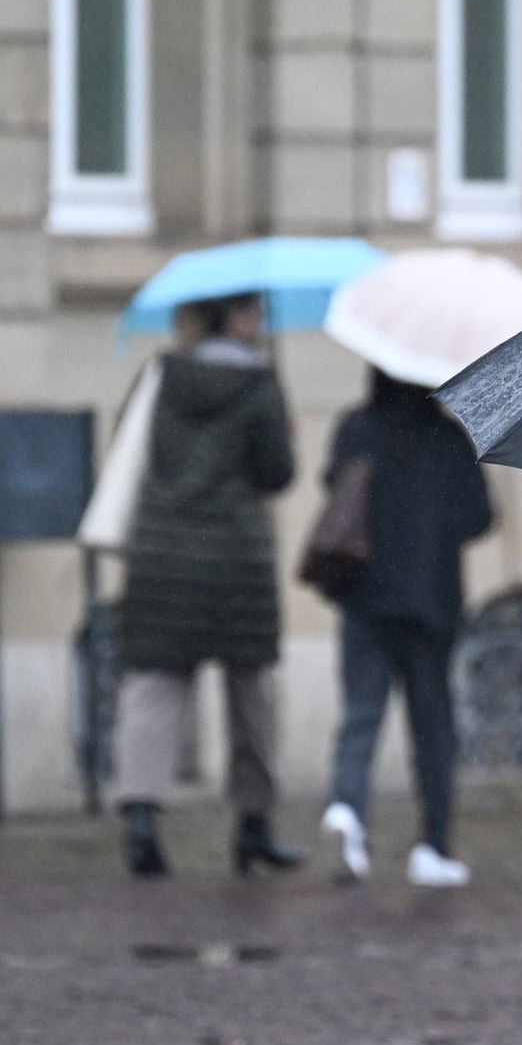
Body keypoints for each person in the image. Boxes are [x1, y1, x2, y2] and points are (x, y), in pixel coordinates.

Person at [112, 291, 301, 878]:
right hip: (235, 556)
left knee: (154, 684)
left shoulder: (158, 375)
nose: (261, 323)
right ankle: (254, 826)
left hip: (163, 552)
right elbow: (277, 474)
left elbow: (129, 448)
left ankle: (141, 816)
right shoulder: (261, 383)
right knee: (249, 694)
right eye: (255, 313)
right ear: (236, 318)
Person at [317, 368, 493, 888]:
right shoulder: (449, 437)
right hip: (430, 602)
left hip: (365, 596)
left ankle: (348, 810)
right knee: (433, 729)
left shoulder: (354, 428)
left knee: (361, 715)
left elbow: (332, 488)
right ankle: (432, 846)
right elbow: (479, 517)